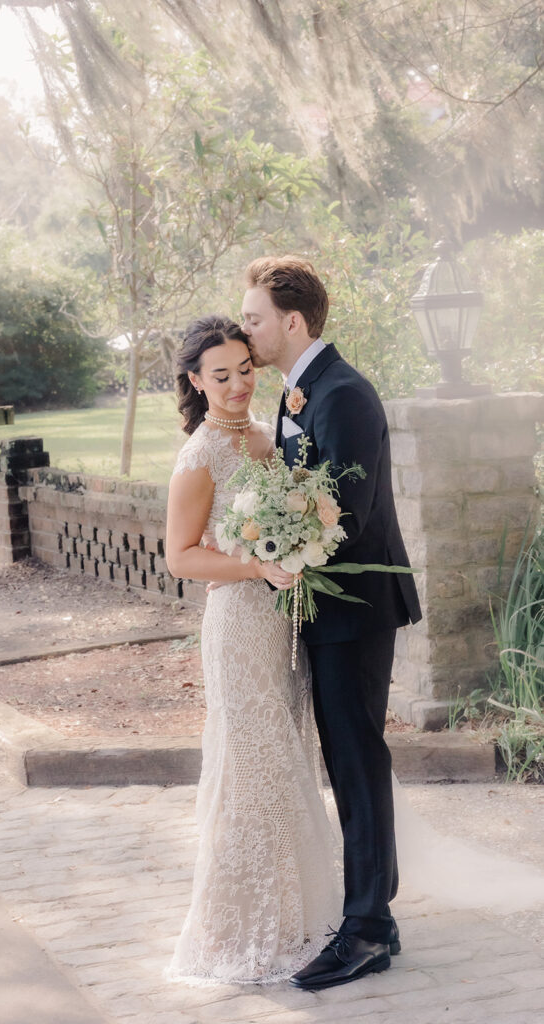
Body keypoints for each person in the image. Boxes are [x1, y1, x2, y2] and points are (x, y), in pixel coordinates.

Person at [240, 255, 422, 990]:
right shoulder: (300, 392)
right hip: (327, 608)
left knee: (356, 758)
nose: (246, 328)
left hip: (353, 608)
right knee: (346, 758)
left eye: (254, 318)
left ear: (292, 321)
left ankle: (368, 929)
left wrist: (276, 542)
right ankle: (373, 915)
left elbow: (346, 513)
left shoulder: (342, 394)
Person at [165, 314, 341, 985]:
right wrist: (257, 566)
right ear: (195, 381)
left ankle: (288, 914)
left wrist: (298, 541)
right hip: (238, 625)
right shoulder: (199, 456)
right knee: (251, 770)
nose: (238, 384)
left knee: (282, 762)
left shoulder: (264, 440)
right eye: (221, 375)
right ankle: (236, 930)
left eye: (245, 369)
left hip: (279, 624)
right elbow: (180, 557)